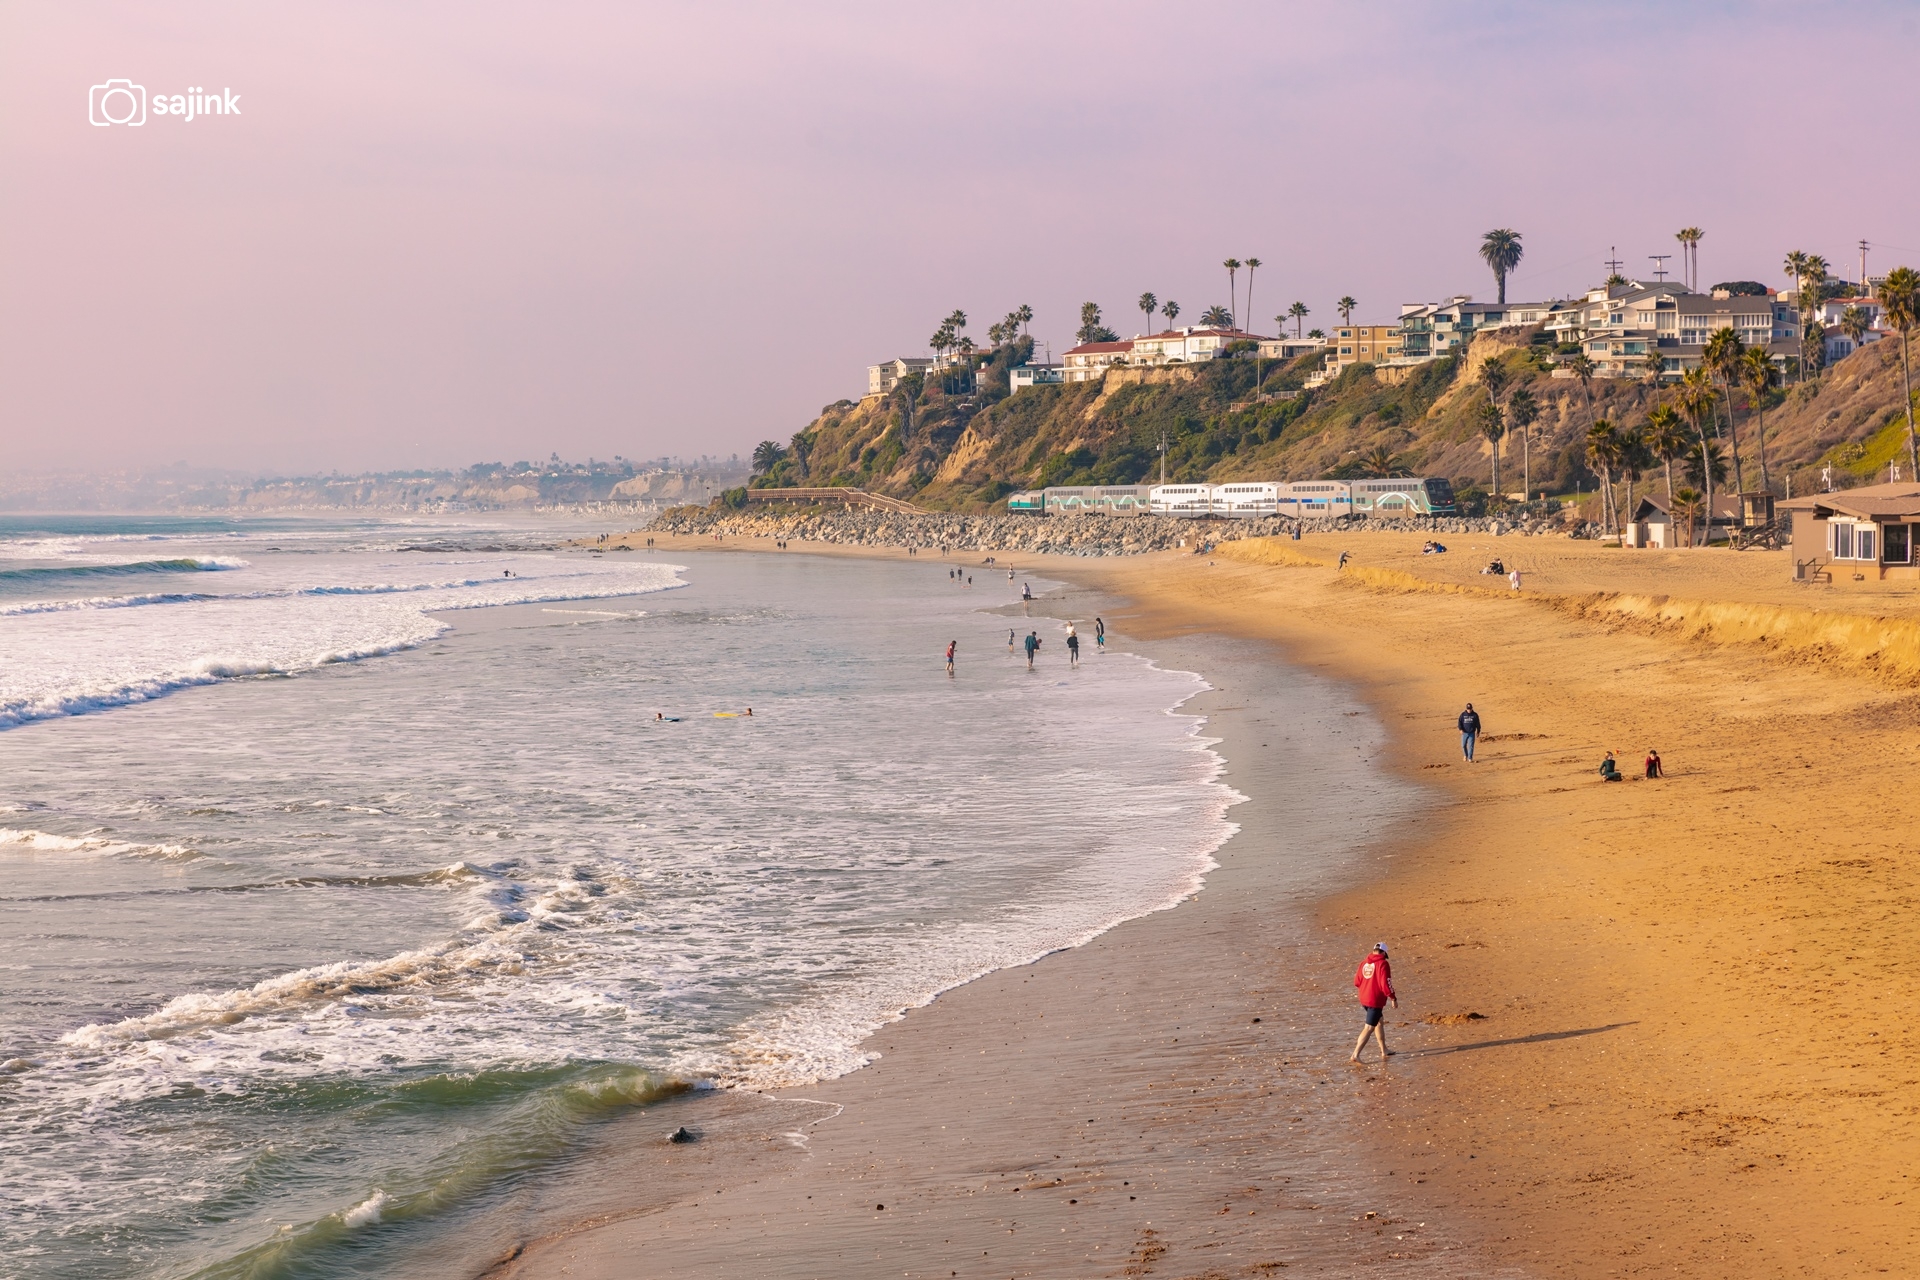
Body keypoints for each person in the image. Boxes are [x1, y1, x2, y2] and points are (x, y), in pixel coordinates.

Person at [1350, 943, 1397, 1063]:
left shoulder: (1364, 962)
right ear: (1384, 953)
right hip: (1374, 1000)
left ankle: (1383, 1049)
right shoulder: (1383, 963)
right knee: (1369, 1027)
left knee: (1379, 1021)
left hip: (1363, 997)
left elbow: (1356, 981)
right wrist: (1393, 998)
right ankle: (1356, 1054)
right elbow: (1386, 983)